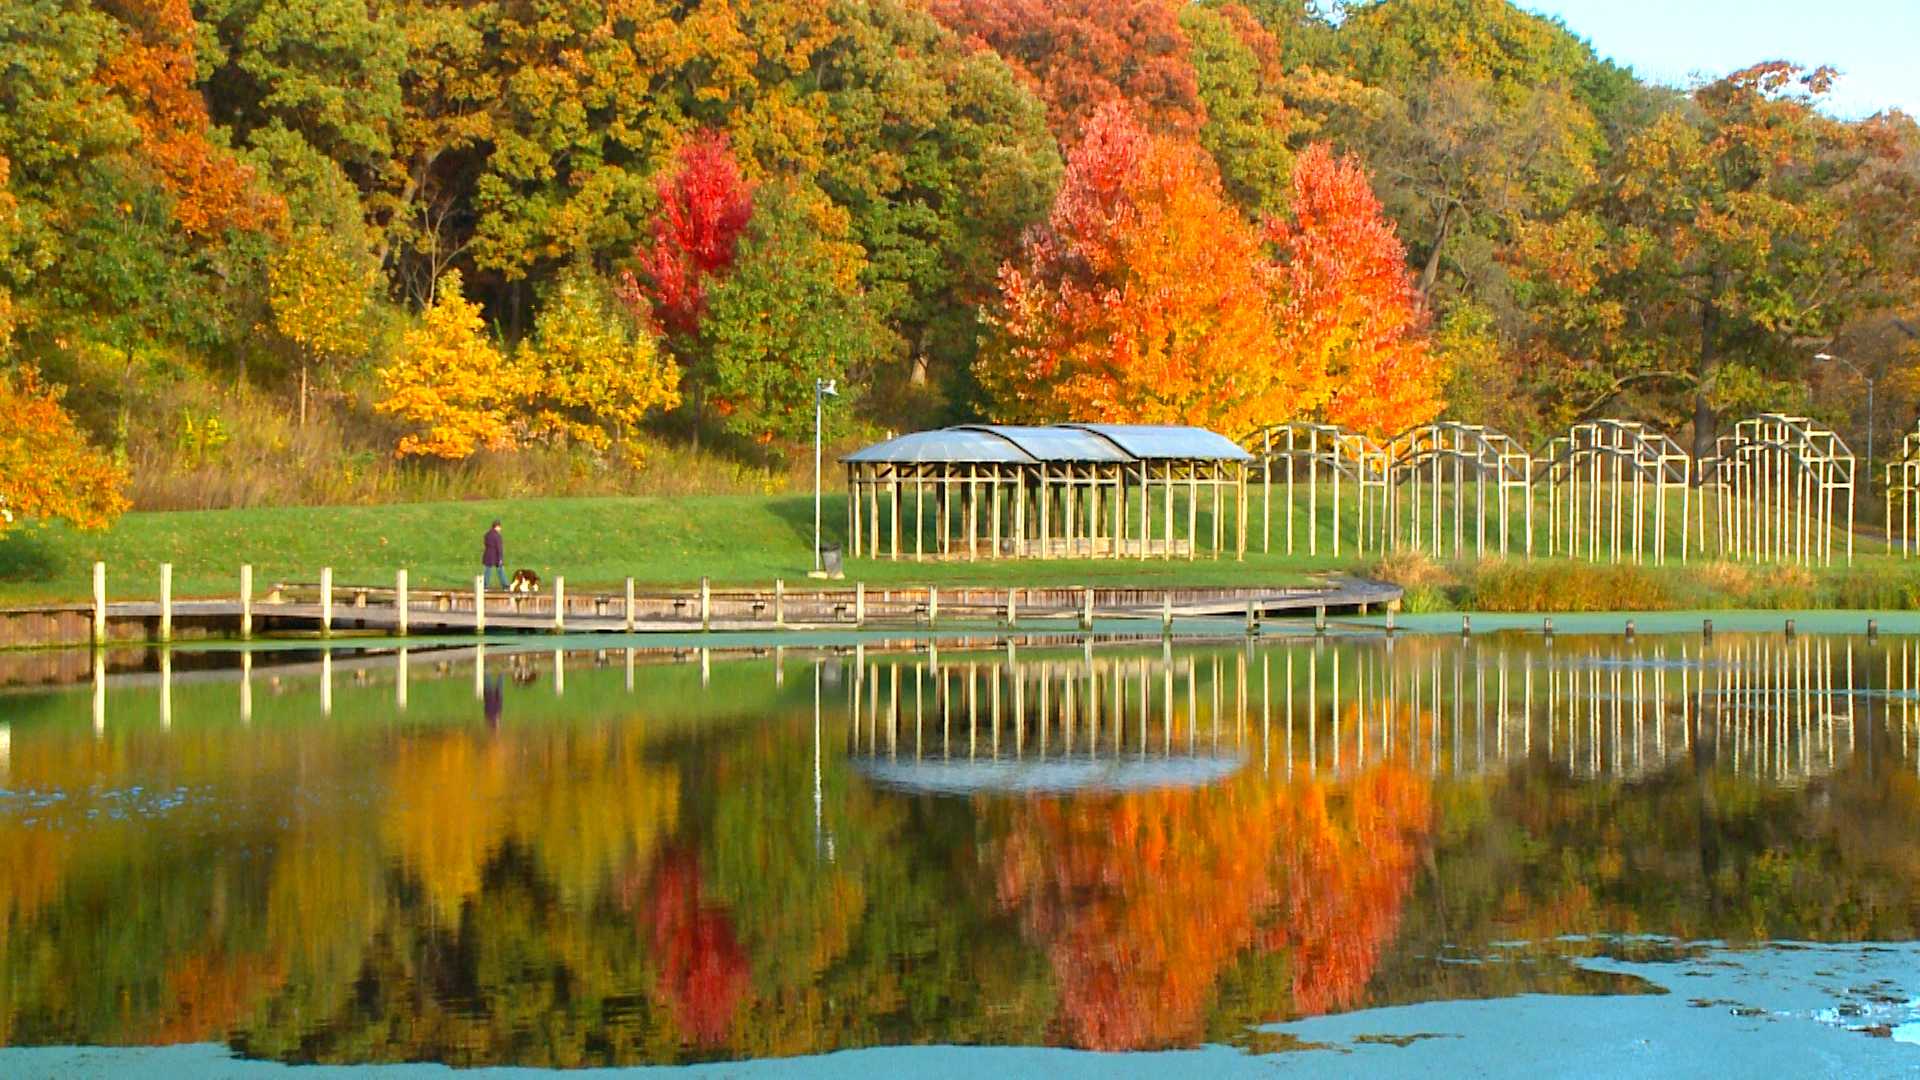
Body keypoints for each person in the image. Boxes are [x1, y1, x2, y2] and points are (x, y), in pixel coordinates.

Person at [482, 520, 508, 590]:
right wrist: (500, 558)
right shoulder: (497, 536)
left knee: (487, 571)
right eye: (500, 527)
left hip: (487, 555)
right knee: (501, 571)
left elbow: (485, 543)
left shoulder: (487, 534)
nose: (500, 529)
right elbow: (499, 548)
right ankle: (505, 585)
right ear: (497, 527)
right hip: (496, 556)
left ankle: (485, 586)